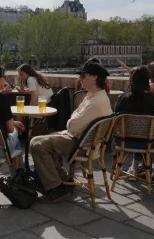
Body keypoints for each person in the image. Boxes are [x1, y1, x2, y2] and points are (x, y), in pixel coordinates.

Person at [30, 62, 113, 203]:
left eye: (83, 76)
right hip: (83, 140)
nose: (80, 79)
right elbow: (74, 118)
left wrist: (71, 121)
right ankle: (62, 179)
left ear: (94, 77)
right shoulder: (94, 96)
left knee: (38, 144)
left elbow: (72, 126)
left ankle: (56, 187)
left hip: (82, 145)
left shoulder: (95, 101)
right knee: (39, 140)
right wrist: (72, 121)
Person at [114, 66, 154, 176]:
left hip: (123, 141)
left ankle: (120, 166)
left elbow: (115, 120)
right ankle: (140, 167)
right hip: (148, 142)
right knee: (147, 134)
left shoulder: (122, 99)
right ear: (147, 79)